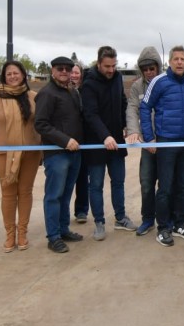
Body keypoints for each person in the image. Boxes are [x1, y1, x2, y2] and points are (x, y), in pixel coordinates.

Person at [0, 61, 42, 252]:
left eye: (16, 73)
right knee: (8, 194)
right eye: (9, 74)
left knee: (25, 192)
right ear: (4, 77)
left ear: (23, 75)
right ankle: (9, 235)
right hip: (4, 155)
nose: (13, 77)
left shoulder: (33, 97)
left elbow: (42, 124)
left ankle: (22, 233)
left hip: (29, 154)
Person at [140, 45, 184, 247]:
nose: (180, 62)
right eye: (176, 59)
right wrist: (149, 137)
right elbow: (145, 107)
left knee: (183, 185)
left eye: (183, 59)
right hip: (165, 142)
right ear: (170, 62)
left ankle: (179, 223)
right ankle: (163, 227)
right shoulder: (159, 82)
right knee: (165, 187)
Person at [81, 46, 136, 241]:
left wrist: (125, 127)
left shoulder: (118, 79)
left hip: (116, 143)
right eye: (107, 66)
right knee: (95, 185)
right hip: (96, 143)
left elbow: (122, 102)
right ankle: (99, 222)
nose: (111, 70)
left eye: (114, 65)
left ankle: (120, 218)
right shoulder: (88, 83)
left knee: (118, 182)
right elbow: (90, 114)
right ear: (98, 63)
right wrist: (105, 136)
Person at [35, 56, 85, 254]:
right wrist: (64, 140)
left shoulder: (72, 92)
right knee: (54, 196)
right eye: (60, 69)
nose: (64, 71)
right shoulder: (47, 94)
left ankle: (63, 230)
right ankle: (53, 236)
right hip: (57, 154)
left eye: (67, 68)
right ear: (53, 71)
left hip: (75, 153)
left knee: (65, 195)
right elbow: (40, 124)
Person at [125, 47, 163, 236]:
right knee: (147, 183)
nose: (149, 72)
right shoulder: (137, 87)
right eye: (145, 68)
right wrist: (134, 132)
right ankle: (148, 219)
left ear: (158, 67)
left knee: (166, 185)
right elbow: (132, 109)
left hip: (165, 142)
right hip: (148, 144)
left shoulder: (166, 83)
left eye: (152, 68)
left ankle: (166, 220)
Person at [70, 62, 90, 224]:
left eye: (77, 72)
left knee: (83, 177)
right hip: (65, 141)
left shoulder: (85, 91)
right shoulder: (60, 91)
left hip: (83, 140)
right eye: (71, 72)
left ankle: (81, 210)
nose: (74, 75)